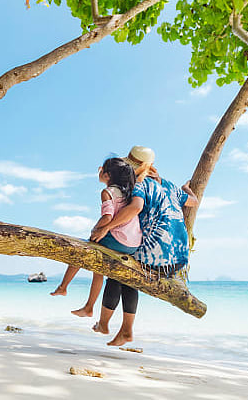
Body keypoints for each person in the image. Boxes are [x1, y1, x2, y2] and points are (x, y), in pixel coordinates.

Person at [90, 146, 198, 346]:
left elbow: (136, 207)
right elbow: (194, 201)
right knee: (127, 274)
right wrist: (187, 189)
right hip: (178, 260)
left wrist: (106, 228)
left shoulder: (140, 184)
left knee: (116, 273)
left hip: (154, 259)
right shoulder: (170, 186)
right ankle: (124, 331)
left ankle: (105, 324)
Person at [50, 157, 141, 321]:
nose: (99, 170)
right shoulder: (128, 191)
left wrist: (95, 229)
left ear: (107, 175)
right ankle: (88, 307)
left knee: (81, 251)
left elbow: (107, 217)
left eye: (102, 169)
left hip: (118, 239)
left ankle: (63, 287)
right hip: (133, 244)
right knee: (98, 267)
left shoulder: (107, 192)